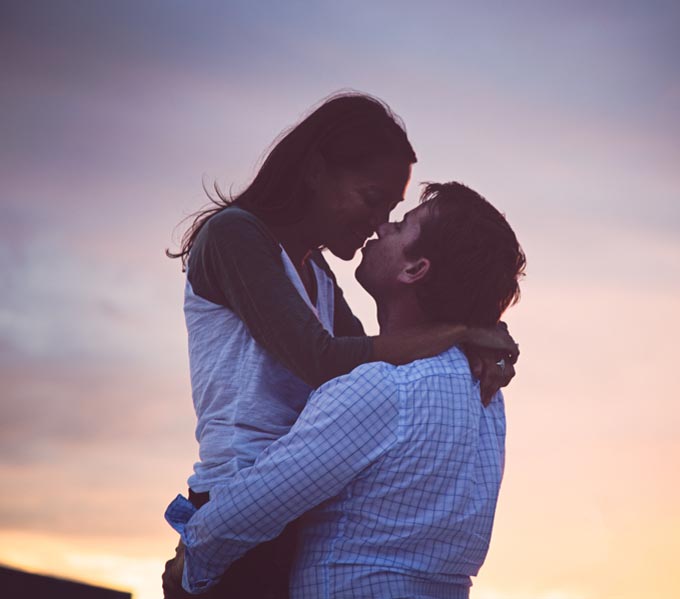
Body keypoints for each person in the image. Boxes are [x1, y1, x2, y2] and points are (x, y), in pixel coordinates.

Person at [164, 93, 517, 598]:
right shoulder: (234, 237)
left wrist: (473, 333)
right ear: (316, 172)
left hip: (295, 503)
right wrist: (462, 333)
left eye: (393, 210)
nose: (378, 223)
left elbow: (378, 356)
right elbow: (324, 359)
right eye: (372, 198)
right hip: (239, 501)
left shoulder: (316, 270)